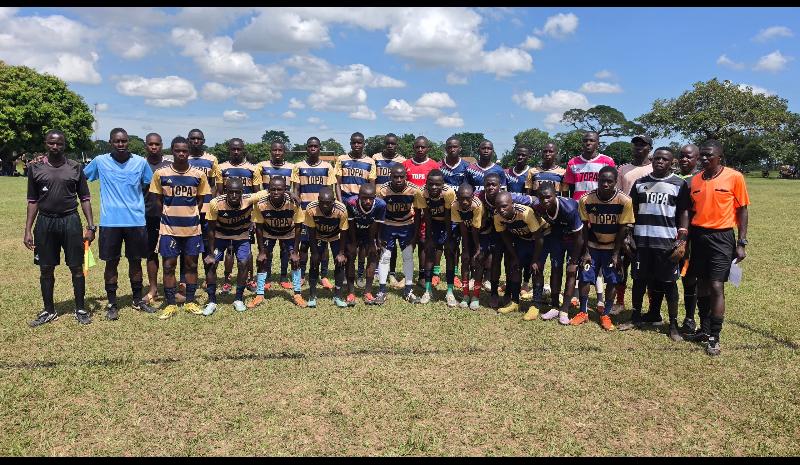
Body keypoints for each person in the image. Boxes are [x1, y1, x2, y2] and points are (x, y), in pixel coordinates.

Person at [25, 129, 96, 326]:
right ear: (45, 144)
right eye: (51, 143)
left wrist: (91, 226)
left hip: (70, 221)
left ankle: (81, 309)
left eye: (59, 144)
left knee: (76, 267)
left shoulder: (75, 167)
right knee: (46, 268)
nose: (55, 147)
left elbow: (85, 198)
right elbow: (32, 201)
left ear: (64, 145)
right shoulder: (35, 168)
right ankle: (49, 310)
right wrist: (27, 230)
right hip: (45, 222)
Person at [684, 139, 749, 356]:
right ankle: (704, 327)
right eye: (701, 155)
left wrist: (741, 242)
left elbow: (742, 210)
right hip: (699, 236)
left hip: (722, 237)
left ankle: (715, 335)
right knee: (700, 284)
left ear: (719, 157)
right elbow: (691, 212)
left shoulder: (734, 177)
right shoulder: (694, 181)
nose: (703, 159)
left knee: (716, 286)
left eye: (708, 155)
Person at [617, 148, 690, 341]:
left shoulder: (679, 183)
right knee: (639, 280)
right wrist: (628, 235)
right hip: (642, 241)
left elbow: (683, 212)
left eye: (664, 159)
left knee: (668, 283)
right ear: (652, 160)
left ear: (671, 162)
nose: (659, 161)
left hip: (666, 242)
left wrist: (682, 238)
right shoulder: (640, 183)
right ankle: (635, 317)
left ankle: (673, 324)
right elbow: (632, 210)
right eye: (656, 158)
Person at [83, 128, 156, 320]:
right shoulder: (100, 161)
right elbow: (81, 178)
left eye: (124, 141)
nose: (121, 144)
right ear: (110, 142)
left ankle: (137, 300)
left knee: (136, 262)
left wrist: (140, 207)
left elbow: (149, 185)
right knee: (111, 263)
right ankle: (112, 303)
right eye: (117, 141)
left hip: (136, 221)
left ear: (128, 142)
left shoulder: (140, 162)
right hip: (110, 222)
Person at [149, 136, 211, 319]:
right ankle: (170, 304)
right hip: (168, 229)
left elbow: (200, 200)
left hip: (192, 229)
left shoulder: (199, 175)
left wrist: (189, 214)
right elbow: (157, 200)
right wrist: (170, 215)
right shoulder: (161, 174)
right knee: (169, 265)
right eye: (178, 150)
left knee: (191, 264)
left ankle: (190, 301)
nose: (182, 154)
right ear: (172, 151)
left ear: (189, 152)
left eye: (185, 151)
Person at [573, 166, 634, 331]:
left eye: (609, 181)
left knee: (612, 280)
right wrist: (585, 251)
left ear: (615, 182)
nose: (605, 184)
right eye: (602, 180)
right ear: (597, 180)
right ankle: (583, 312)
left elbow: (623, 228)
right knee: (585, 277)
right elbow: (584, 227)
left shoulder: (625, 201)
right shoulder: (586, 199)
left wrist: (616, 253)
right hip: (592, 246)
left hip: (612, 247)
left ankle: (606, 314)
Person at [564, 131, 616, 313]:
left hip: (599, 214)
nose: (588, 143)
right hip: (579, 214)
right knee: (579, 254)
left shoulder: (607, 161)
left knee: (597, 256)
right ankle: (577, 296)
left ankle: (600, 298)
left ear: (597, 143)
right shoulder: (573, 163)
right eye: (585, 140)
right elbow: (570, 190)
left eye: (591, 140)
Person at [476, 173, 534, 308]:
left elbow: (533, 200)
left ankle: (508, 293)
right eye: (487, 184)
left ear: (500, 186)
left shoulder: (509, 197)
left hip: (510, 232)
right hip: (493, 232)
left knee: (510, 261)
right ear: (484, 186)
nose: (490, 187)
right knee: (495, 260)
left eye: (494, 184)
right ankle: (494, 293)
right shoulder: (478, 196)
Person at [250, 175, 306, 308]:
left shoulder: (293, 202)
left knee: (294, 260)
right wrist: (261, 251)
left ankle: (297, 293)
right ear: (268, 189)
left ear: (285, 189)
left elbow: (298, 226)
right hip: (269, 232)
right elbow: (258, 226)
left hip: (289, 232)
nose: (275, 192)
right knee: (262, 259)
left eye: (279, 189)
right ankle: (259, 294)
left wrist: (295, 251)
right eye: (272, 189)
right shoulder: (261, 203)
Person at [532, 184, 584, 325]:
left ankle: (565, 309)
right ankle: (555, 306)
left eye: (548, 197)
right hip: (557, 237)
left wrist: (574, 262)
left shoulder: (569, 208)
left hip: (573, 240)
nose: (545, 201)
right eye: (541, 198)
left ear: (556, 194)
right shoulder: (538, 206)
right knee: (555, 269)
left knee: (571, 272)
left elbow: (580, 237)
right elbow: (528, 203)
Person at [203, 177, 257, 315]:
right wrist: (210, 253)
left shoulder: (249, 199)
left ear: (242, 192)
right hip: (221, 237)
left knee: (244, 262)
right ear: (225, 191)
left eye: (237, 192)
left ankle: (238, 298)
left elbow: (268, 192)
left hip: (241, 237)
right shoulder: (215, 203)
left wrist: (290, 193)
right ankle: (211, 300)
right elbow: (210, 229)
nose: (234, 195)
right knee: (211, 264)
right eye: (230, 192)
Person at [614, 135, 654, 315]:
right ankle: (619, 301)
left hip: (648, 222)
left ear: (650, 148)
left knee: (647, 267)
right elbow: (618, 196)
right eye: (636, 144)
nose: (638, 147)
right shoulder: (623, 169)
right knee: (623, 262)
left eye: (643, 144)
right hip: (625, 222)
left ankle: (651, 306)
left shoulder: (656, 168)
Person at [215, 138, 262, 295]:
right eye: (233, 149)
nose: (236, 152)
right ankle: (227, 281)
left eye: (239, 149)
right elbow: (220, 193)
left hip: (246, 216)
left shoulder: (252, 169)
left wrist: (255, 219)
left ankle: (249, 279)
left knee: (246, 250)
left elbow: (257, 195)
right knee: (229, 249)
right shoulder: (221, 168)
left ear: (243, 150)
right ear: (229, 150)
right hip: (227, 215)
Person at [291, 137, 337, 291]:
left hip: (322, 213)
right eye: (310, 146)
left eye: (315, 146)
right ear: (306, 148)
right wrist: (296, 199)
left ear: (319, 148)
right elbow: (296, 189)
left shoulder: (327, 167)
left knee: (323, 246)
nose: (313, 148)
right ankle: (302, 274)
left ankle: (323, 276)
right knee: (304, 245)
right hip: (304, 212)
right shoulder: (298, 166)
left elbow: (330, 190)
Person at [525, 142, 569, 301]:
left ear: (556, 153)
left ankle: (555, 299)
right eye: (545, 150)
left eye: (551, 151)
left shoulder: (562, 173)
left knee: (557, 265)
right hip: (538, 224)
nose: (547, 153)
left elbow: (564, 198)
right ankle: (537, 297)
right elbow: (528, 197)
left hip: (556, 225)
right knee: (538, 262)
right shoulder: (533, 172)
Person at [181, 129, 220, 302]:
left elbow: (215, 185)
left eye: (198, 139)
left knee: (208, 244)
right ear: (188, 140)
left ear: (203, 140)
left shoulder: (211, 159)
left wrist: (207, 200)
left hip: (206, 210)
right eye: (192, 139)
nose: (195, 141)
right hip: (186, 211)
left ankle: (208, 278)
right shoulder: (183, 157)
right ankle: (184, 280)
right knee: (186, 246)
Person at [493, 191, 547, 318]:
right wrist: (515, 256)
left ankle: (536, 305)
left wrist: (534, 260)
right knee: (515, 266)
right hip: (522, 240)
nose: (501, 210)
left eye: (505, 206)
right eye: (498, 206)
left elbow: (539, 237)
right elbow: (505, 236)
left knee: (536, 269)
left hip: (539, 238)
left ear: (512, 204)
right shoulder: (497, 216)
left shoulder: (525, 212)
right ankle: (515, 302)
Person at [335, 132, 377, 287]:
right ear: (350, 143)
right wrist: (340, 203)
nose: (357, 145)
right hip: (346, 202)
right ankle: (347, 272)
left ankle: (360, 273)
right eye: (354, 142)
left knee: (363, 242)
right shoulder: (342, 159)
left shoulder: (370, 162)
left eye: (360, 142)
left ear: (363, 143)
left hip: (363, 204)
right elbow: (337, 184)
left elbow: (371, 184)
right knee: (348, 240)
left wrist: (369, 204)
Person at [377, 164, 422, 304]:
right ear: (390, 177)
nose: (398, 179)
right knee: (385, 257)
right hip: (388, 225)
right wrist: (378, 236)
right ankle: (382, 290)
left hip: (406, 226)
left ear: (405, 177)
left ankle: (408, 289)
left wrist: (415, 235)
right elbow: (378, 214)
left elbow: (419, 213)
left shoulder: (414, 190)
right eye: (395, 177)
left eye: (401, 177)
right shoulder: (382, 190)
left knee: (408, 257)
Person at [256, 141, 295, 291]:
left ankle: (284, 276)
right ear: (270, 151)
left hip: (285, 209)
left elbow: (294, 187)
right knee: (268, 249)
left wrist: (289, 194)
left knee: (285, 249)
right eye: (274, 150)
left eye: (280, 150)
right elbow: (257, 187)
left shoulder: (292, 167)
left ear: (284, 152)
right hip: (268, 210)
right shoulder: (261, 166)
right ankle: (267, 276)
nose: (277, 152)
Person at [413, 169, 456, 305]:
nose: (434, 187)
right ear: (426, 183)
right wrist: (429, 237)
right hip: (434, 222)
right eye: (431, 184)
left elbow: (449, 216)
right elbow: (426, 215)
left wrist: (449, 237)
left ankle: (449, 291)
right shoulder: (421, 192)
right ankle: (428, 290)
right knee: (430, 251)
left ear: (443, 184)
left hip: (449, 223)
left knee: (449, 253)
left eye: (437, 184)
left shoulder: (448, 192)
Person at [402, 136, 439, 288]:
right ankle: (407, 276)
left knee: (424, 243)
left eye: (423, 147)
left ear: (427, 148)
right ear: (413, 148)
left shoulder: (433, 165)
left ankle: (423, 275)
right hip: (409, 211)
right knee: (408, 243)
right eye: (417, 147)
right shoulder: (406, 164)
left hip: (427, 212)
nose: (420, 149)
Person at [303, 186, 349, 308]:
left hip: (335, 236)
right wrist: (314, 252)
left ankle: (338, 296)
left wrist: (341, 252)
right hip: (318, 236)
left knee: (339, 262)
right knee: (314, 262)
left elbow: (344, 231)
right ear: (318, 200)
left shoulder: (341, 209)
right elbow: (311, 232)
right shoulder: (311, 208)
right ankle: (312, 294)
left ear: (334, 201)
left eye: (328, 203)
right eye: (322, 203)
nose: (324, 206)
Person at [372, 133, 406, 289]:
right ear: (384, 144)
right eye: (387, 143)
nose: (390, 146)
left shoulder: (402, 160)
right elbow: (371, 179)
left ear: (396, 145)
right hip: (379, 202)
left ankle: (391, 272)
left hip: (395, 203)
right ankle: (378, 269)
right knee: (380, 238)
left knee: (392, 240)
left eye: (393, 144)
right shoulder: (375, 158)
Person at [346, 183, 386, 305]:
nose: (367, 201)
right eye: (364, 198)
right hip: (354, 232)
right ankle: (351, 292)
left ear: (375, 197)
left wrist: (375, 243)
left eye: (370, 198)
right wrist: (353, 243)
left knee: (373, 256)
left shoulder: (381, 205)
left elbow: (377, 225)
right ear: (358, 196)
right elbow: (351, 224)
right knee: (350, 256)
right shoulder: (351, 203)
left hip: (370, 232)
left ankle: (367, 292)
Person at [439, 136, 471, 289]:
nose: (452, 149)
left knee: (459, 244)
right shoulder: (439, 166)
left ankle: (456, 274)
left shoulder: (467, 167)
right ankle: (436, 273)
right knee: (445, 243)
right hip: (443, 211)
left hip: (462, 211)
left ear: (460, 149)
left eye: (455, 147)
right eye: (449, 147)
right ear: (446, 148)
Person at [143, 133, 171, 304]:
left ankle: (172, 288)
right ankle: (153, 288)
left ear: (162, 145)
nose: (154, 147)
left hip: (169, 216)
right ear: (146, 145)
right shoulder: (140, 165)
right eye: (150, 144)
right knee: (151, 253)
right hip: (147, 215)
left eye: (157, 144)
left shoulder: (170, 165)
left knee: (170, 253)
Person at [676, 144, 700, 334]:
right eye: (682, 156)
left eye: (689, 157)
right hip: (668, 233)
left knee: (689, 277)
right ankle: (655, 312)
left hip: (691, 236)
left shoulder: (699, 180)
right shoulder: (673, 179)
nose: (684, 159)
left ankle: (690, 318)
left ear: (697, 158)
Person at [450, 183, 484, 309]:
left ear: (473, 196)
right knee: (465, 260)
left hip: (480, 233)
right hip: (466, 232)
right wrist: (465, 249)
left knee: (478, 260)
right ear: (457, 196)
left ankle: (475, 295)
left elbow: (476, 229)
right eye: (461, 198)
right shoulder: (454, 205)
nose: (464, 201)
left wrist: (477, 248)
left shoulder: (477, 205)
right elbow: (462, 227)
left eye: (468, 198)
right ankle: (465, 295)